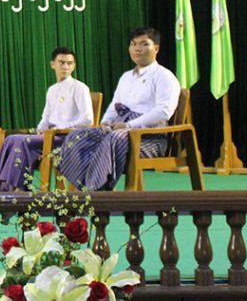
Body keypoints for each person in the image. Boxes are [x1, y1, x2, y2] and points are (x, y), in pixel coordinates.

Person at [58, 27, 181, 191]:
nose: (137, 49)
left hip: (149, 137)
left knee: (114, 138)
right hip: (119, 129)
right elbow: (114, 106)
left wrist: (130, 125)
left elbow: (164, 111)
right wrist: (105, 122)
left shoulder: (165, 77)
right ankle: (81, 188)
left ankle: (96, 191)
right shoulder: (126, 77)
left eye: (144, 44)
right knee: (77, 136)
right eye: (133, 44)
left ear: (156, 48)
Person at [0, 47, 93, 192]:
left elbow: (88, 120)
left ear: (74, 66)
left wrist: (60, 128)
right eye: (61, 62)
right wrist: (40, 129)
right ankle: (2, 188)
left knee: (24, 142)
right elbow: (46, 118)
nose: (65, 67)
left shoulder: (80, 88)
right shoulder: (52, 90)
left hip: (68, 138)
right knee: (11, 139)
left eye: (69, 63)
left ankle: (18, 190)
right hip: (50, 136)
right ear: (52, 64)